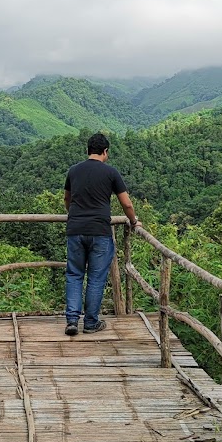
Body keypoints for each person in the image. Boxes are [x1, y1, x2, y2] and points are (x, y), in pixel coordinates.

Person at [63, 132, 138, 336]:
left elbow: (67, 199)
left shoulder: (74, 171)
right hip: (100, 232)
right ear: (105, 151)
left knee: (74, 275)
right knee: (96, 278)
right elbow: (126, 203)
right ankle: (90, 322)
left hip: (76, 230)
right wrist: (133, 221)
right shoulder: (111, 173)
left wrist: (74, 215)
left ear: (87, 150)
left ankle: (71, 321)